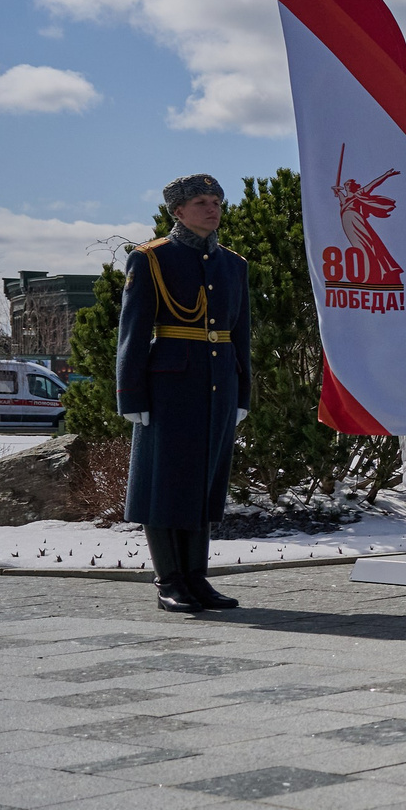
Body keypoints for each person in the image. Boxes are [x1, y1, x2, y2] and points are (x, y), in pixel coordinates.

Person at [117, 174, 253, 614]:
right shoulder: (151, 259)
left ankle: (197, 578)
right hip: (170, 386)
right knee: (165, 484)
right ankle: (169, 580)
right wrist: (131, 396)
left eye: (216, 201)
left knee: (204, 484)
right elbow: (134, 332)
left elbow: (240, 334)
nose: (212, 209)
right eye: (201, 202)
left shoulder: (233, 264)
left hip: (219, 384)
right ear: (178, 211)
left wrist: (243, 392)